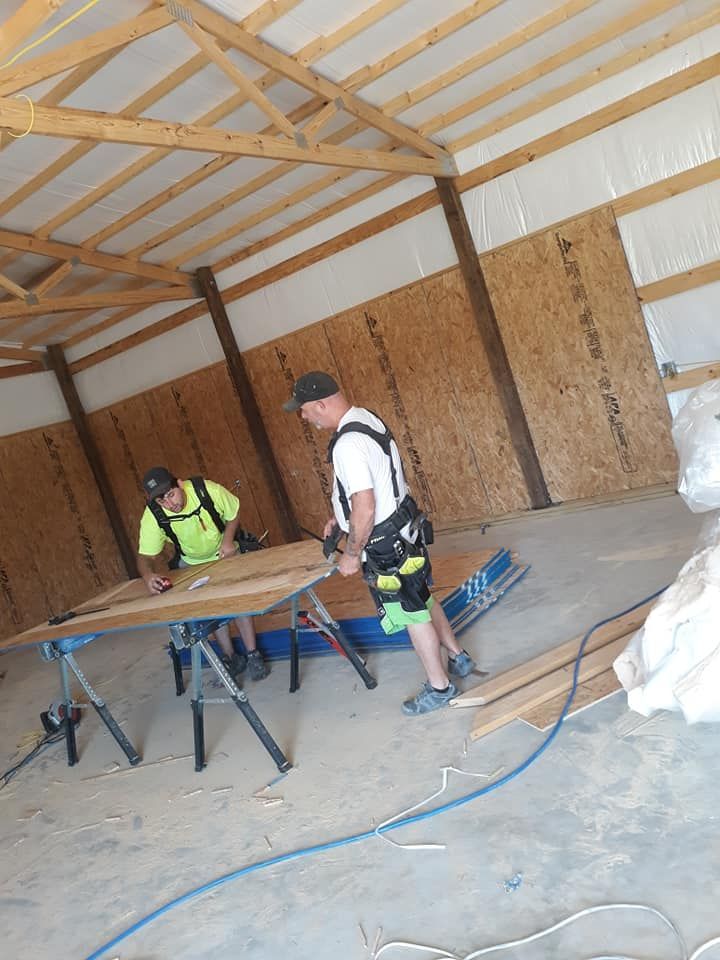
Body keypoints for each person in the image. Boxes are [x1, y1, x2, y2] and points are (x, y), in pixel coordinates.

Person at [283, 372, 475, 715]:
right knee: (423, 598)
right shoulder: (365, 419)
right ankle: (458, 658)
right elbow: (369, 487)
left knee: (412, 615)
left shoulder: (345, 445)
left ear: (321, 404)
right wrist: (339, 519)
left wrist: (352, 554)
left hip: (385, 544)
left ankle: (440, 686)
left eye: (305, 410)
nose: (303, 416)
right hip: (405, 529)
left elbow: (366, 505)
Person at [137, 467, 268, 682]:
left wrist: (227, 541)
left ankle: (253, 653)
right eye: (162, 501)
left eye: (171, 495)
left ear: (179, 484)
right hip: (192, 563)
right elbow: (144, 557)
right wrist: (147, 576)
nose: (170, 504)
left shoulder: (206, 490)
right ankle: (231, 657)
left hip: (224, 555)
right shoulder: (154, 514)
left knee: (238, 602)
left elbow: (233, 514)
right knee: (211, 609)